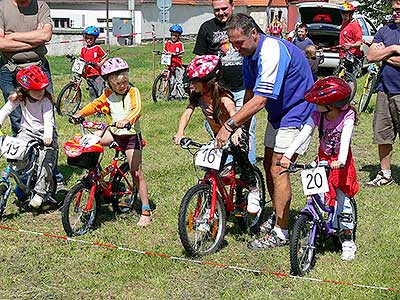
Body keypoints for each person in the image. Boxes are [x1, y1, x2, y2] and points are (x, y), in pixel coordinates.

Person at [215, 13, 315, 249]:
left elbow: (260, 100)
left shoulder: (271, 50)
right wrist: (244, 131)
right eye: (232, 43)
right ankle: (280, 215)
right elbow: (249, 92)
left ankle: (281, 231)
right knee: (270, 163)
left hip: (299, 111)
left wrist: (230, 125)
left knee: (279, 168)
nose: (236, 48)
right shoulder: (248, 55)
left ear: (254, 34)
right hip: (279, 113)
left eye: (239, 42)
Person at [280, 76, 359, 260]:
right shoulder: (317, 115)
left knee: (343, 200)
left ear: (331, 104)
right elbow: (304, 134)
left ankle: (347, 240)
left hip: (341, 162)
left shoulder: (347, 115)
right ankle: (317, 222)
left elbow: (345, 139)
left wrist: (339, 160)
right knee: (317, 194)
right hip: (323, 159)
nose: (315, 105)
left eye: (319, 102)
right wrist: (287, 155)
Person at [174, 55, 261, 213]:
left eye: (195, 81)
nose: (192, 85)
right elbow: (187, 113)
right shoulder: (197, 96)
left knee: (241, 158)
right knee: (212, 172)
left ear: (207, 81)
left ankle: (253, 188)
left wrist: (238, 130)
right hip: (218, 138)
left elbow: (233, 112)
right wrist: (180, 132)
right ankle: (211, 204)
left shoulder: (222, 96)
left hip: (234, 132)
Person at [72, 57, 153, 227]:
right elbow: (95, 104)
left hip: (131, 136)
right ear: (108, 82)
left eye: (124, 82)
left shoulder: (133, 92)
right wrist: (80, 114)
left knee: (136, 172)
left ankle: (146, 210)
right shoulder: (108, 93)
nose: (121, 86)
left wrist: (127, 120)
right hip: (114, 133)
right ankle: (97, 178)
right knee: (90, 142)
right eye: (117, 84)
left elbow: (137, 109)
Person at [0, 0, 66, 193]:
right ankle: (24, 177)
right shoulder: (2, 7)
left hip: (39, 69)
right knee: (18, 123)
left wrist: (14, 37)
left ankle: (54, 176)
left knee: (48, 124)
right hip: (10, 70)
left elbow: (45, 36)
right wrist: (32, 39)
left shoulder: (42, 6)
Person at [193, 0, 258, 164]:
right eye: (217, 10)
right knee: (216, 126)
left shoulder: (245, 23)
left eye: (224, 8)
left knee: (246, 129)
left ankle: (247, 170)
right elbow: (199, 58)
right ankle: (229, 164)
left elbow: (259, 44)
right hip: (218, 90)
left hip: (243, 87)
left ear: (233, 7)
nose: (221, 12)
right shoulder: (206, 28)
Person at [0, 66, 58, 208]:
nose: (40, 93)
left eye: (42, 89)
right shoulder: (21, 97)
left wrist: (48, 136)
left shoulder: (46, 101)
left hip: (45, 132)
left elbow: (48, 119)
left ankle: (40, 193)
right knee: (17, 156)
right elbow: (6, 109)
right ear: (25, 89)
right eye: (35, 90)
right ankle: (24, 181)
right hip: (27, 131)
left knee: (46, 160)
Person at [365, 0, 400, 187]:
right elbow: (370, 56)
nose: (396, 13)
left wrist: (384, 55)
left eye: (399, 10)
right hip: (384, 90)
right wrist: (394, 49)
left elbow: (379, 55)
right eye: (394, 10)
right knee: (383, 134)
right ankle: (385, 174)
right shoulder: (384, 31)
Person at [80, 26, 107, 100]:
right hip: (88, 75)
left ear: (95, 39)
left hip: (97, 74)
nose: (88, 40)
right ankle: (94, 107)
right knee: (92, 92)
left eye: (91, 39)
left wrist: (100, 64)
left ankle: (103, 106)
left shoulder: (97, 48)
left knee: (100, 90)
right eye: (87, 38)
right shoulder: (83, 49)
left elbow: (105, 57)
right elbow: (81, 60)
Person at [338, 2, 363, 76]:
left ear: (351, 14)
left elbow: (359, 42)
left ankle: (351, 87)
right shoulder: (344, 23)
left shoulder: (355, 25)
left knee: (349, 77)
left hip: (352, 56)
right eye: (343, 14)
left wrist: (351, 45)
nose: (344, 17)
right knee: (341, 76)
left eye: (346, 15)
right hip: (343, 55)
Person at [164, 24, 185, 100]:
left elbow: (181, 54)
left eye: (175, 36)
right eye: (172, 35)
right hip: (170, 64)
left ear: (179, 36)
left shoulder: (180, 44)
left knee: (179, 81)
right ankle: (172, 94)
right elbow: (165, 51)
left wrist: (175, 54)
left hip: (177, 64)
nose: (173, 37)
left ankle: (181, 95)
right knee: (172, 80)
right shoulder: (168, 43)